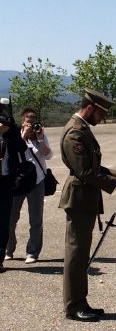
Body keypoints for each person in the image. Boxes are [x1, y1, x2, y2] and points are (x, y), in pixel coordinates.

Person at [59, 88, 116, 322]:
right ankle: (74, 306)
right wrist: (114, 183)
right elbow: (84, 171)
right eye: (101, 113)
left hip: (85, 199)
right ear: (90, 108)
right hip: (79, 199)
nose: (101, 118)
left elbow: (91, 166)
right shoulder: (75, 133)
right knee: (76, 253)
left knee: (82, 253)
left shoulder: (82, 129)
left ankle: (81, 301)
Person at [5, 107, 53, 264]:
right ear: (22, 122)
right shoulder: (14, 136)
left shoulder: (40, 137)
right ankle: (8, 249)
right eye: (28, 122)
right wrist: (23, 136)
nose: (31, 125)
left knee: (36, 220)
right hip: (18, 183)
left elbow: (48, 155)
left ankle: (32, 252)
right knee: (10, 218)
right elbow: (11, 154)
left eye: (33, 122)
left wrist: (39, 139)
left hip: (37, 182)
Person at [0, 98, 27, 273]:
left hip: (5, 180)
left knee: (3, 221)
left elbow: (22, 148)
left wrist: (8, 132)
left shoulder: (10, 129)